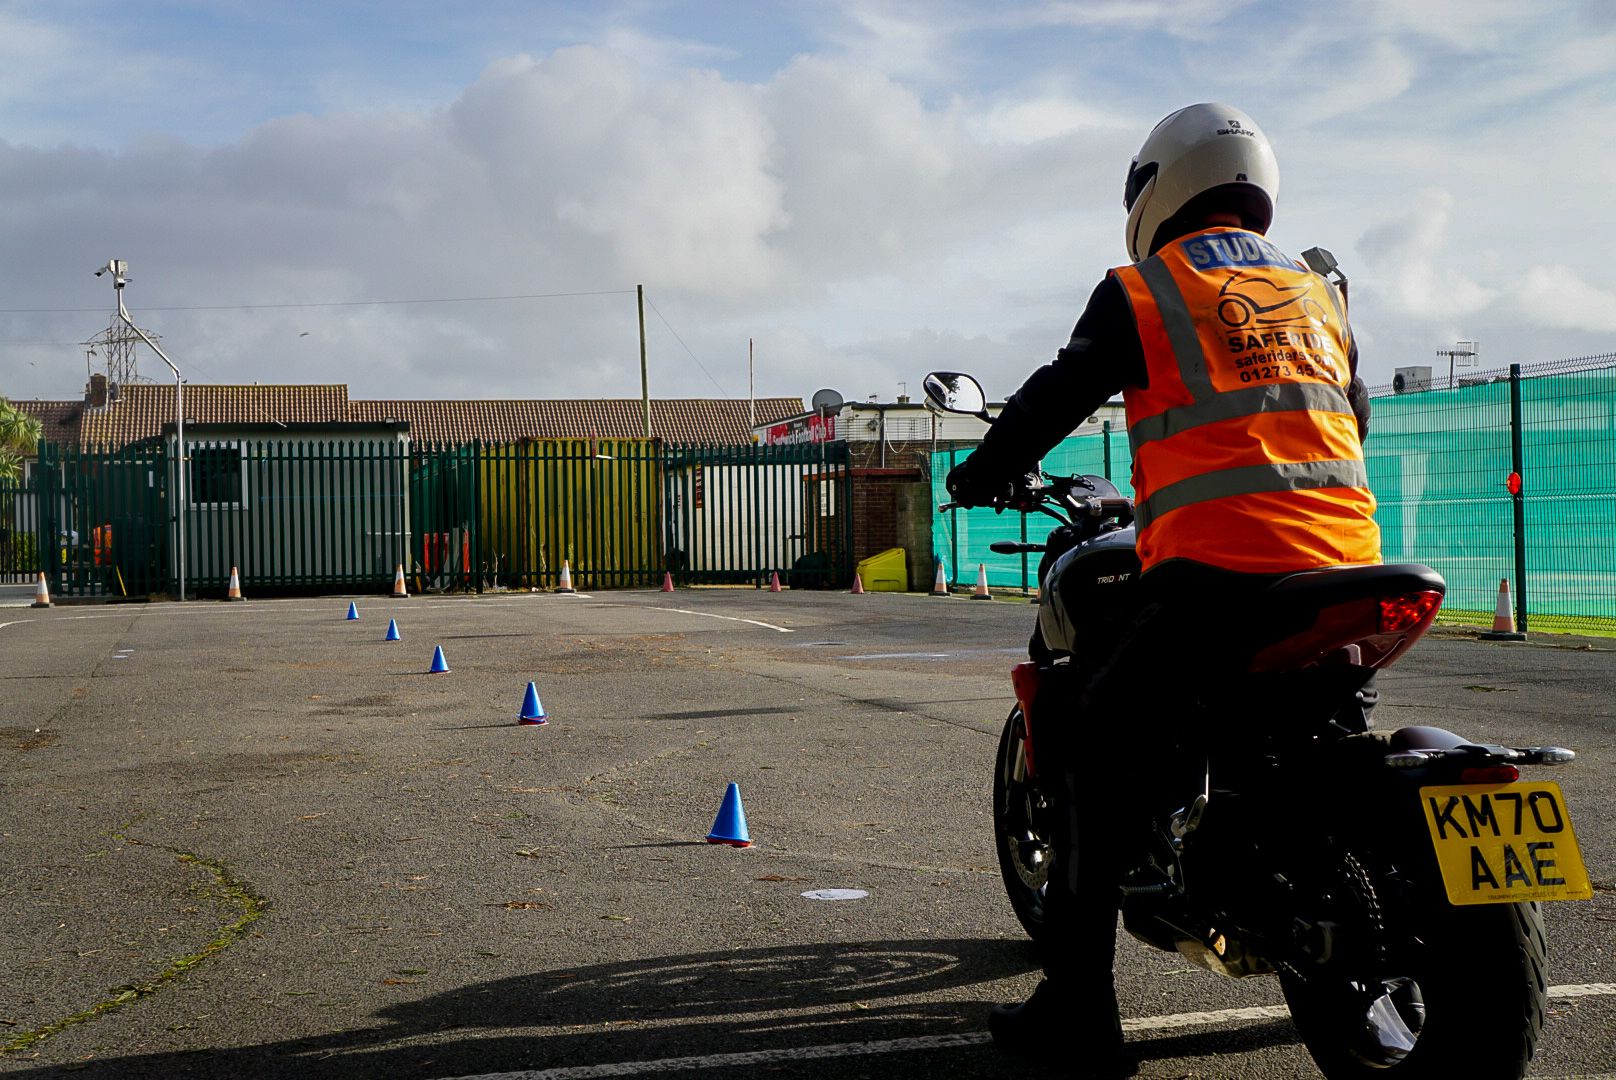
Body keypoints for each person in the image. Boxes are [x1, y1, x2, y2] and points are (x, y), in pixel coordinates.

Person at [946, 103, 1381, 1071]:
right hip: (1351, 573)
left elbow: (1058, 391)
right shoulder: (1317, 294)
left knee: (1078, 732)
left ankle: (1077, 1007)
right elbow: (1351, 413)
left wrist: (978, 472)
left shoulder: (1148, 287)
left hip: (1216, 582)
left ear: (1155, 189)